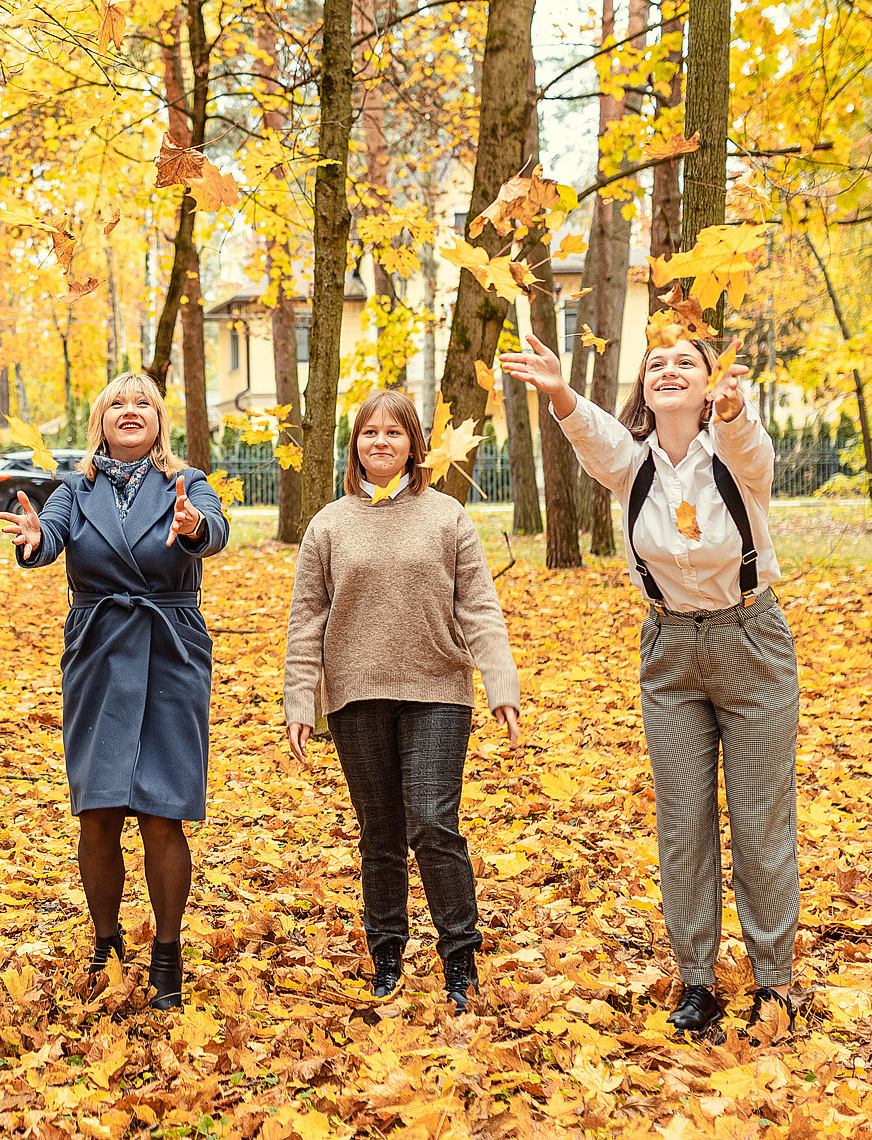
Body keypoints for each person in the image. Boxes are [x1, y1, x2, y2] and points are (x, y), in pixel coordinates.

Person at [502, 329, 799, 1037]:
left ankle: (774, 984)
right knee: (683, 824)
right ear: (645, 386)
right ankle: (696, 980)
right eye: (656, 363)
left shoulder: (734, 450)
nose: (669, 371)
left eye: (685, 363)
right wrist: (559, 389)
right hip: (669, 651)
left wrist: (731, 414)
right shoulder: (634, 468)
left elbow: (754, 451)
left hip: (751, 641)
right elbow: (593, 434)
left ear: (708, 384)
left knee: (761, 822)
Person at [281, 389, 521, 1014]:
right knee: (379, 834)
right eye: (368, 433)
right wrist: (301, 702)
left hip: (437, 691)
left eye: (394, 433)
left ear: (415, 445)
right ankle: (387, 953)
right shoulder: (328, 524)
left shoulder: (448, 517)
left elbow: (478, 606)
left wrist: (501, 684)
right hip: (355, 696)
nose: (380, 442)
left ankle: (459, 959)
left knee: (434, 825)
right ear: (354, 446)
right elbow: (307, 619)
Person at [0, 371, 230, 1010]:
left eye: (144, 404)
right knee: (96, 810)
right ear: (100, 421)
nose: (130, 412)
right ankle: (105, 943)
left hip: (171, 652)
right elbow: (49, 537)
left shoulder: (190, 482)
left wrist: (190, 528)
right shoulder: (75, 488)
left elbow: (213, 528)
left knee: (163, 810)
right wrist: (37, 539)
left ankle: (168, 954)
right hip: (98, 653)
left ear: (160, 421)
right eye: (117, 405)